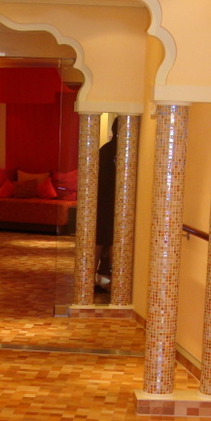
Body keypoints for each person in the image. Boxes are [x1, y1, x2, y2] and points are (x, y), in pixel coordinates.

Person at [94, 118, 118, 293]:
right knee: (115, 241)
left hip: (101, 200)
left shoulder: (104, 151)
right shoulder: (129, 151)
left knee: (99, 240)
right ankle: (117, 283)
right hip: (119, 202)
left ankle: (88, 279)